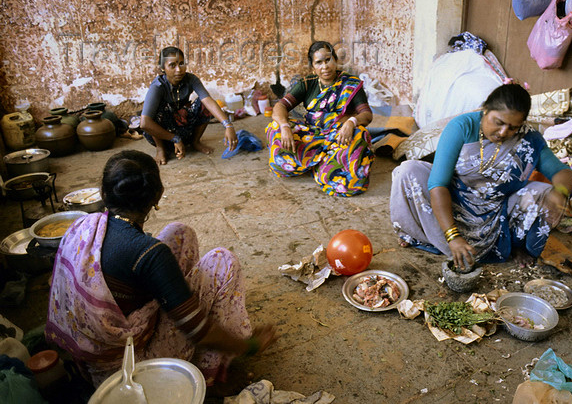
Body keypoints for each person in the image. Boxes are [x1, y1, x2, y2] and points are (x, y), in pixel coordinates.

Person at [45, 150, 277, 389]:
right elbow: (198, 330)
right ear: (158, 196)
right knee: (222, 261)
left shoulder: (83, 226)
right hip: (129, 372)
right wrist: (250, 346)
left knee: (180, 233)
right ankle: (211, 374)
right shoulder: (148, 254)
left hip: (90, 358)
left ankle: (177, 298)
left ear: (103, 193)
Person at [390, 83, 572, 270]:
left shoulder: (529, 139)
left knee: (543, 192)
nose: (503, 133)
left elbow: (563, 172)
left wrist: (559, 192)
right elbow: (438, 184)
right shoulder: (462, 127)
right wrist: (453, 236)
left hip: (497, 209)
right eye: (499, 122)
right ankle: (428, 236)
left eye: (512, 128)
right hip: (452, 200)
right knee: (408, 171)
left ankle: (513, 246)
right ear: (485, 110)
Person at [266, 41, 374, 197]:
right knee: (274, 129)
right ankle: (320, 162)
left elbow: (366, 114)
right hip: (313, 136)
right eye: (319, 62)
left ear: (335, 60)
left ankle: (319, 164)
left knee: (360, 135)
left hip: (338, 137)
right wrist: (284, 126)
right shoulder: (307, 83)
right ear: (313, 67)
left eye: (328, 60)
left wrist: (352, 122)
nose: (325, 66)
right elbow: (280, 107)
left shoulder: (351, 83)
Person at [140, 46, 237, 165]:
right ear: (162, 68)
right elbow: (144, 123)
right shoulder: (157, 87)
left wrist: (228, 125)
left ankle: (195, 142)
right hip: (164, 135)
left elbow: (208, 101)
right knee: (154, 113)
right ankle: (160, 149)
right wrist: (174, 138)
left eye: (181, 64)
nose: (178, 70)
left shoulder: (191, 79)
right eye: (172, 65)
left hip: (183, 128)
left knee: (203, 104)